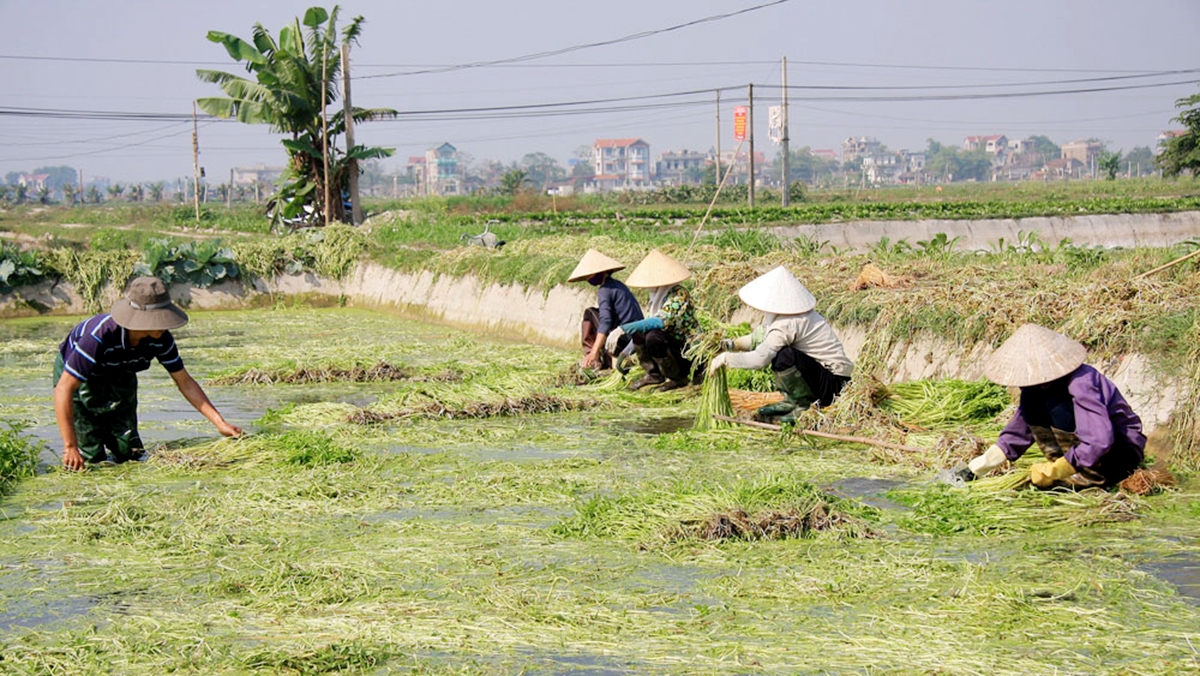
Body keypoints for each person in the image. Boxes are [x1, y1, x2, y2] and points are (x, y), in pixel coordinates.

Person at [54, 276, 243, 470]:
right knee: (91, 456)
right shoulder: (98, 337)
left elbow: (185, 382)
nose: (165, 324)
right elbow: (64, 389)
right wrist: (70, 446)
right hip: (81, 377)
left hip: (122, 372)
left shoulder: (161, 339)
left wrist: (220, 423)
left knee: (129, 452)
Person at [953, 323, 1145, 489]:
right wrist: (983, 464)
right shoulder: (1034, 390)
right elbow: (1019, 431)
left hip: (1119, 453)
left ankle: (1088, 473)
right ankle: (1071, 467)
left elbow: (1099, 440)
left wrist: (1056, 470)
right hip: (1086, 453)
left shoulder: (1081, 383)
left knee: (1056, 405)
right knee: (1031, 401)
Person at [708, 266, 853, 423]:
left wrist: (726, 359)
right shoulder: (792, 316)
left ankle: (801, 406)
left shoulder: (788, 323)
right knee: (780, 353)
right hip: (826, 378)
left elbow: (760, 359)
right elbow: (759, 338)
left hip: (833, 385)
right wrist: (729, 345)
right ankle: (793, 401)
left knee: (784, 356)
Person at [613, 249, 701, 391]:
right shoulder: (655, 298)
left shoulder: (679, 295)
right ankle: (654, 374)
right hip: (670, 347)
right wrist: (625, 353)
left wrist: (623, 328)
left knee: (653, 336)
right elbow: (645, 326)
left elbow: (659, 321)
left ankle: (677, 378)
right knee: (641, 333)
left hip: (685, 352)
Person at [568, 249, 643, 370]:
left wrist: (595, 351)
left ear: (600, 272)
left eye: (589, 275)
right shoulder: (617, 284)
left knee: (589, 314)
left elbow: (605, 321)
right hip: (635, 333)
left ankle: (592, 358)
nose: (587, 279)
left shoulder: (604, 290)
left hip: (626, 336)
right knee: (593, 312)